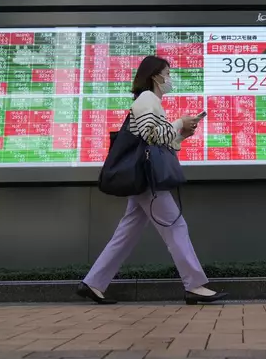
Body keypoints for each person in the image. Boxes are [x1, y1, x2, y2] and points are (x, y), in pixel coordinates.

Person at [77, 55, 227, 305]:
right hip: (147, 180)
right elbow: (150, 135)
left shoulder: (151, 101)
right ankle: (195, 286)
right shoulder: (147, 99)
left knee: (126, 233)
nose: (169, 78)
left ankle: (93, 283)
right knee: (176, 226)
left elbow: (161, 142)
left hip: (143, 179)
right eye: (167, 73)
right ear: (155, 75)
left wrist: (181, 134)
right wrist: (179, 122)